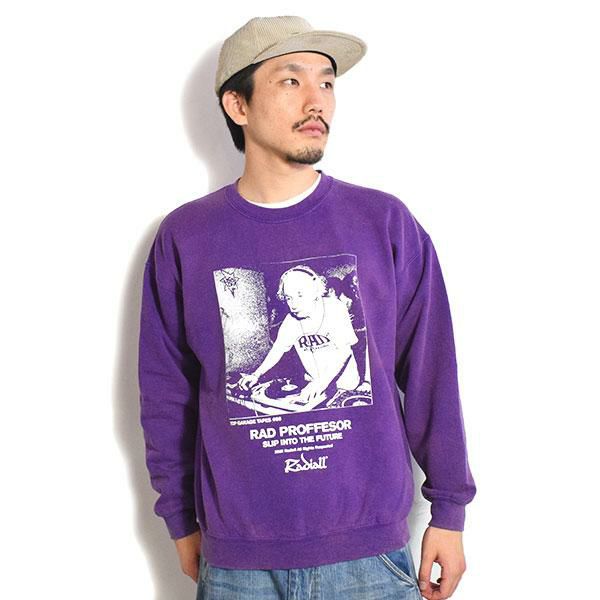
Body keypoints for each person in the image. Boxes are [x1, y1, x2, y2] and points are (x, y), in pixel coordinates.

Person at [137, 15, 477, 600]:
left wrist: (450, 509)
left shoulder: (383, 223)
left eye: (326, 82)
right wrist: (179, 518)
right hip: (239, 561)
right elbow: (166, 392)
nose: (317, 100)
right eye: (291, 81)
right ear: (238, 106)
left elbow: (431, 372)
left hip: (370, 558)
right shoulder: (186, 237)